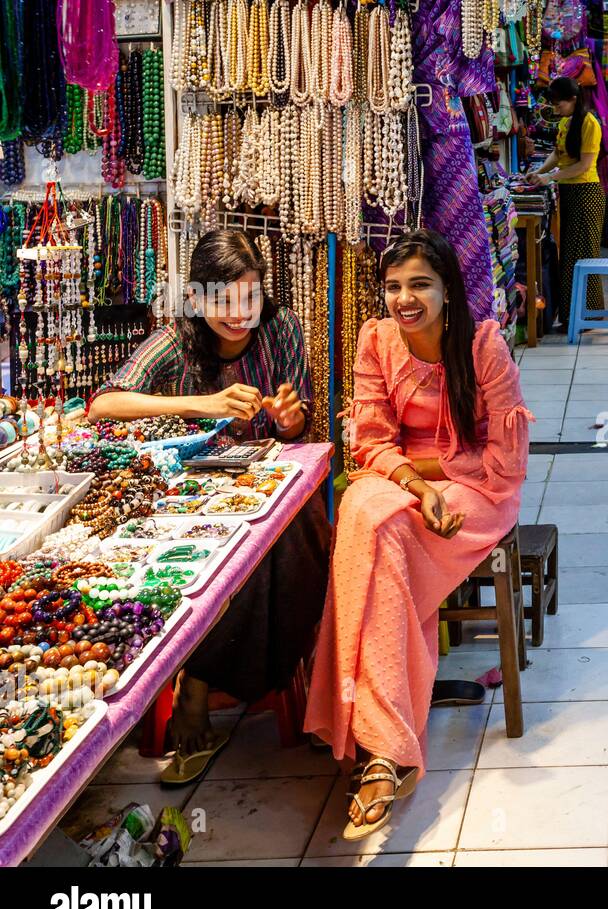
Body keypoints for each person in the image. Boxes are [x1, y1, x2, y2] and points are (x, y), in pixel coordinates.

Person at [305, 228, 532, 841]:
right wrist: (416, 482)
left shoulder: (483, 347)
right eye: (394, 286)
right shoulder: (376, 341)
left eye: (419, 285)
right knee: (360, 512)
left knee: (385, 537)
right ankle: (387, 744)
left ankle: (378, 745)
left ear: (448, 291)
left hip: (479, 495)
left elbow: (505, 463)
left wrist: (431, 475)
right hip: (408, 482)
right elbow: (370, 444)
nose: (404, 299)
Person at [88, 228, 331, 783]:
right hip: (187, 502)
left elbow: (299, 421)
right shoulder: (175, 343)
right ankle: (197, 683)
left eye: (250, 297)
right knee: (224, 558)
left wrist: (292, 419)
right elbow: (102, 404)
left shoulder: (282, 329)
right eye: (223, 300)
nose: (240, 313)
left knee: (289, 544)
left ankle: (201, 678)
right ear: (197, 299)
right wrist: (202, 405)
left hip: (270, 491)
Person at [525, 76, 605, 331]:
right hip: (569, 193)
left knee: (584, 256)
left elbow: (582, 165)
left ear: (573, 99)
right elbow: (558, 154)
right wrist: (539, 171)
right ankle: (572, 315)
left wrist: (549, 176)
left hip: (586, 194)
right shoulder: (567, 122)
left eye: (560, 105)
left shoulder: (590, 124)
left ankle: (588, 316)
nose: (557, 110)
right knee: (569, 256)